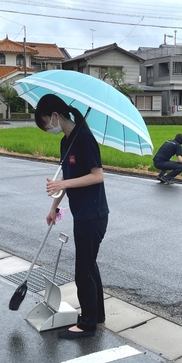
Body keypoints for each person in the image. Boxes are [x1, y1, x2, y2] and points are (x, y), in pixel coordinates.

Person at [34, 94, 109, 339]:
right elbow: (65, 182)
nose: (47, 128)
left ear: (55, 116)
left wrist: (62, 183)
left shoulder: (85, 139)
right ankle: (96, 314)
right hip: (82, 213)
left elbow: (97, 176)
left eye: (46, 123)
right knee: (89, 266)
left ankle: (87, 324)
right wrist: (53, 207)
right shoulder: (67, 142)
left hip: (93, 214)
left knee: (83, 270)